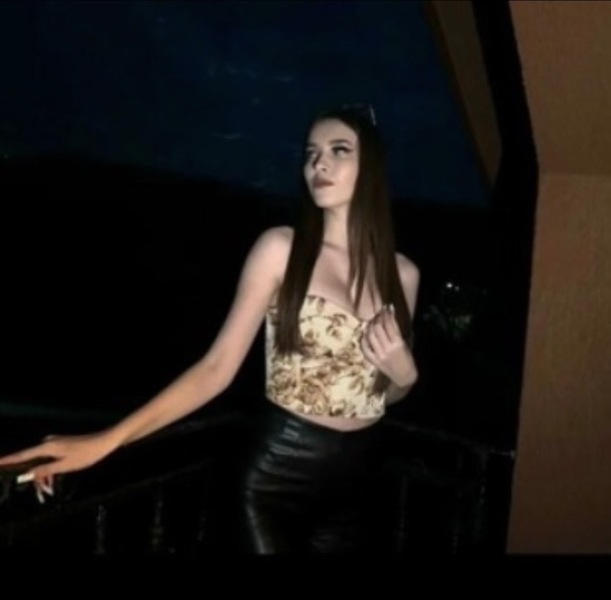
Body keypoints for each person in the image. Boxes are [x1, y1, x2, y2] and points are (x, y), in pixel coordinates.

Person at [0, 105, 420, 554]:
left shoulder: (403, 275)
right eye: (311, 152)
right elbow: (216, 369)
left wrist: (406, 374)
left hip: (356, 485)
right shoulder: (282, 249)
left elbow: (385, 391)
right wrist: (105, 442)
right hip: (277, 475)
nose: (319, 163)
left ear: (372, 167)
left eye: (339, 150)